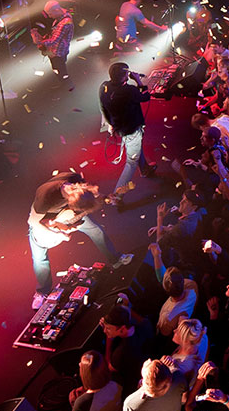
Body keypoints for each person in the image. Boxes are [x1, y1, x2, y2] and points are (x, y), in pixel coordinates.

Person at [28, 170, 115, 308]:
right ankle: (42, 291)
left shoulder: (75, 181)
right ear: (69, 200)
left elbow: (94, 194)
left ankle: (115, 259)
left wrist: (106, 198)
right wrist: (58, 235)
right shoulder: (45, 196)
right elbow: (32, 222)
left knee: (95, 230)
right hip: (45, 220)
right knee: (40, 256)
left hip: (70, 214)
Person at [102, 62, 158, 198]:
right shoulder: (129, 91)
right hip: (131, 129)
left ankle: (145, 169)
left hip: (119, 126)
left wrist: (110, 123)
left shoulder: (104, 86)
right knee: (131, 163)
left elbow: (103, 107)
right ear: (125, 75)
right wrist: (138, 80)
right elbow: (145, 96)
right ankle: (117, 195)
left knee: (136, 148)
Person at [29, 0, 75, 80]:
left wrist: (38, 41)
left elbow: (54, 40)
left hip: (58, 53)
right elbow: (54, 33)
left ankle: (65, 83)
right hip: (56, 51)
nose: (50, 16)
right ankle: (62, 79)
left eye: (50, 14)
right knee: (58, 68)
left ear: (56, 10)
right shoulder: (62, 16)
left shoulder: (65, 23)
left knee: (59, 69)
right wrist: (43, 37)